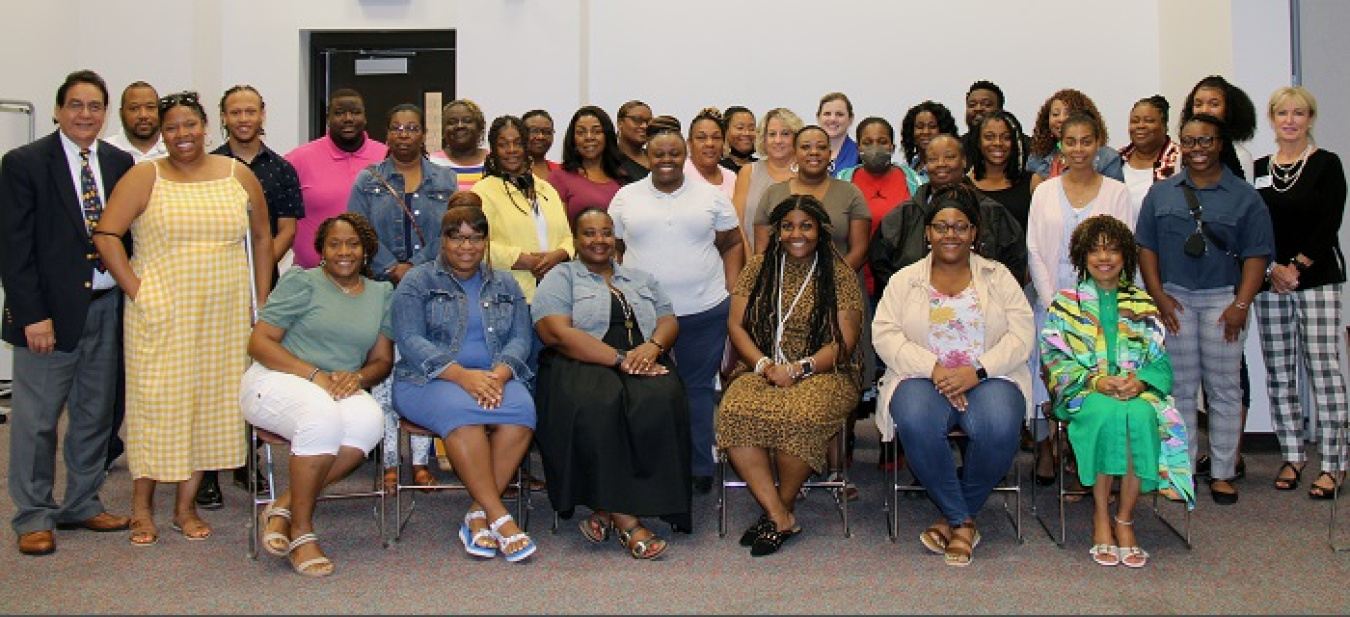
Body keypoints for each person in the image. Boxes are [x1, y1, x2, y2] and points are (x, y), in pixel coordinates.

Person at [94, 90, 274, 545]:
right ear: (161, 131)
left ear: (205, 127)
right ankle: (141, 508)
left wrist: (262, 303)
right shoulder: (144, 175)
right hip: (162, 311)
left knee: (210, 407)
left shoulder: (237, 174)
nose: (181, 135)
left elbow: (262, 238)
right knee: (157, 406)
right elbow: (108, 234)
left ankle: (184, 507)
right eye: (171, 127)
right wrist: (136, 289)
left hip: (225, 313)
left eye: (189, 125)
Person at [2, 69, 135, 556]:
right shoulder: (24, 163)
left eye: (95, 106)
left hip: (105, 307)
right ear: (58, 110)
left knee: (94, 415)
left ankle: (81, 501)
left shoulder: (119, 161)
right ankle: (33, 514)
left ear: (105, 113)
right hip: (48, 316)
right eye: (76, 105)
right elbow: (14, 250)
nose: (85, 115)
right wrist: (30, 314)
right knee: (36, 422)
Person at [873, 183, 1033, 568]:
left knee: (1000, 425)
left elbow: (1022, 332)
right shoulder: (904, 279)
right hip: (921, 376)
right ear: (927, 232)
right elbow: (885, 332)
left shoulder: (998, 276)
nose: (950, 234)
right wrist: (935, 369)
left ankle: (952, 517)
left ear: (974, 232)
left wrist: (976, 372)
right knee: (915, 419)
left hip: (990, 376)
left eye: (960, 227)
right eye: (941, 227)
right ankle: (963, 520)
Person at [532, 207, 690, 558]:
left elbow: (668, 318)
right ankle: (628, 521)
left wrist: (652, 348)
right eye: (589, 233)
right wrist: (620, 360)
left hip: (642, 358)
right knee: (600, 405)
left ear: (615, 238)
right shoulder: (562, 277)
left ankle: (605, 509)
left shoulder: (641, 278)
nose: (598, 240)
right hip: (579, 361)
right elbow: (555, 332)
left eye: (605, 232)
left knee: (663, 397)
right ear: (575, 240)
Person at [1040, 214, 1195, 569]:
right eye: (1094, 251)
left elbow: (1158, 358)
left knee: (1139, 413)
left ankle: (1124, 518)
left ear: (1125, 255)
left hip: (1134, 390)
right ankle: (1100, 515)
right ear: (1082, 257)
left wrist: (1139, 383)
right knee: (1108, 414)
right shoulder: (1066, 303)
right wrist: (1096, 382)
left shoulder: (1142, 303)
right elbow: (1052, 357)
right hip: (1084, 392)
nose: (1104, 258)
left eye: (1111, 250)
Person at [243, 212, 393, 577]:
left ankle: (284, 507)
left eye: (353, 244)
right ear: (322, 250)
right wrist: (315, 376)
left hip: (338, 386)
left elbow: (382, 361)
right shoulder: (301, 282)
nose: (344, 251)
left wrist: (356, 377)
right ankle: (302, 531)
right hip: (276, 379)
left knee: (370, 422)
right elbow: (259, 343)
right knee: (321, 416)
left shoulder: (381, 293)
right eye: (335, 244)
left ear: (366, 250)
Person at [1135, 113, 1274, 505]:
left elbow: (1257, 255)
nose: (1198, 150)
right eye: (1190, 142)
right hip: (1174, 299)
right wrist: (1158, 295)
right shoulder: (1161, 193)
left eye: (1206, 141)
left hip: (1222, 301)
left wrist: (1240, 305)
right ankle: (1182, 469)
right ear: (1182, 144)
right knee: (1178, 389)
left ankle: (1224, 472)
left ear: (1219, 143)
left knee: (1224, 389)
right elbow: (1146, 246)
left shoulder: (1244, 196)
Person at [390, 204, 538, 563]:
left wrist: (500, 374)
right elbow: (409, 339)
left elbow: (521, 338)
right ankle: (500, 517)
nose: (466, 246)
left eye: (475, 238)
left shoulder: (505, 282)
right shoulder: (418, 280)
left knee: (521, 409)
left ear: (486, 241)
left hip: (493, 376)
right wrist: (461, 376)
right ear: (443, 240)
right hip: (428, 379)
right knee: (463, 414)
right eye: (456, 237)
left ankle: (476, 513)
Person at [718, 195, 864, 556]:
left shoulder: (838, 272)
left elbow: (845, 341)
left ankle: (779, 509)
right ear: (777, 231)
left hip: (824, 370)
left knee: (801, 414)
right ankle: (779, 515)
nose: (796, 233)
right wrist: (765, 365)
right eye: (788, 226)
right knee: (734, 409)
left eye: (806, 225)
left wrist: (801, 369)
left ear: (821, 230)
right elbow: (736, 326)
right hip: (762, 366)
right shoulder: (758, 268)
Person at [609, 115, 745, 494]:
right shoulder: (626, 197)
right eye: (658, 154)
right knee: (646, 391)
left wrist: (732, 289)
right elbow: (615, 248)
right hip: (645, 315)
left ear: (684, 154)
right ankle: (652, 464)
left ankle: (701, 464)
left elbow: (732, 242)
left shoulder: (711, 198)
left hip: (705, 309)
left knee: (698, 389)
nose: (666, 159)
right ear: (647, 156)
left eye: (673, 153)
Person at [197, 84, 307, 509]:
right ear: (223, 119)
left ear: (263, 115)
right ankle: (207, 471)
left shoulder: (280, 169)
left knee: (253, 375)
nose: (243, 119)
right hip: (212, 286)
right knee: (212, 377)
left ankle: (248, 462)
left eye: (250, 111)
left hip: (262, 288)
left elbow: (286, 231)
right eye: (234, 113)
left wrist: (257, 272)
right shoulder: (207, 166)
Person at [347, 103, 455, 489]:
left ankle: (422, 461)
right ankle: (390, 459)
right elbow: (356, 231)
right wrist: (393, 268)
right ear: (387, 134)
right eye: (396, 128)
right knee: (385, 374)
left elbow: (450, 234)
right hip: (381, 288)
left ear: (424, 134)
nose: (404, 134)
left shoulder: (445, 179)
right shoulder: (368, 179)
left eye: (412, 127)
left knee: (424, 369)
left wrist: (416, 270)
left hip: (429, 289)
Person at [1026, 112, 1136, 486]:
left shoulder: (1116, 192)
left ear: (1099, 143)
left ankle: (1078, 454)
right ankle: (1045, 448)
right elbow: (1035, 250)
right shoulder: (1043, 190)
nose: (1078, 149)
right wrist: (1053, 301)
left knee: (1091, 380)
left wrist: (1090, 306)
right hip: (1053, 303)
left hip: (1100, 308)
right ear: (1060, 145)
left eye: (1086, 141)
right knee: (1046, 378)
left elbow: (1125, 249)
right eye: (1070, 142)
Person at [1254, 86, 1349, 500]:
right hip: (1271, 280)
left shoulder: (1327, 164)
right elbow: (1254, 226)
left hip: (1317, 279)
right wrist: (1274, 267)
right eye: (1282, 113)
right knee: (1279, 371)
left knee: (1324, 370)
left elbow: (1328, 222)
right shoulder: (1259, 168)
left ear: (1310, 119)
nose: (1290, 120)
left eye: (1298, 113)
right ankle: (1293, 454)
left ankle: (1333, 463)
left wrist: (1297, 266)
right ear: (1272, 120)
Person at [1179, 76, 1260, 480]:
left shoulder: (1237, 172)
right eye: (1199, 102)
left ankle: (1230, 459)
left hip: (1223, 292)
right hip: (1181, 293)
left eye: (1214, 103)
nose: (1205, 109)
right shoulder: (1176, 179)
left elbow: (1251, 243)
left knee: (1227, 380)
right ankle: (1191, 463)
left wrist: (1240, 302)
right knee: (1184, 385)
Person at [870, 134, 1028, 296]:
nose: (941, 164)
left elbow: (1015, 264)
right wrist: (908, 296)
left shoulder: (993, 213)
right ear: (925, 165)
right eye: (933, 159)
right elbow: (880, 264)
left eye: (950, 157)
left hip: (982, 311)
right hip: (914, 310)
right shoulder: (903, 215)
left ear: (964, 161)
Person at [473, 114, 573, 308]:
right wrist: (522, 259)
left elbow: (568, 238)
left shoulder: (546, 189)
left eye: (517, 143)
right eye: (503, 144)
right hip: (508, 297)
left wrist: (558, 255)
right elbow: (477, 245)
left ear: (526, 147)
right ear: (493, 150)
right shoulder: (483, 192)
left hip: (554, 294)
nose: (511, 150)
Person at [286, 88, 388, 269]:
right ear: (328, 118)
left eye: (355, 112)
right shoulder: (298, 160)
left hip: (376, 274)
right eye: (339, 113)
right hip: (313, 275)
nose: (348, 118)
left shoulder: (386, 156)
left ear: (365, 117)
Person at [731, 107, 801, 256]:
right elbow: (737, 224)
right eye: (772, 134)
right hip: (752, 262)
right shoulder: (748, 172)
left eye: (785, 134)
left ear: (796, 138)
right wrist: (751, 263)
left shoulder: (806, 174)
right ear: (763, 138)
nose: (778, 140)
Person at [1026, 89, 1124, 193]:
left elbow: (1115, 198)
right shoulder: (1038, 155)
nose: (1061, 119)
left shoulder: (1107, 158)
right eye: (1055, 114)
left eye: (1068, 114)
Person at [548, 105, 628, 224]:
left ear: (607, 136)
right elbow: (557, 230)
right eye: (581, 132)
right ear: (573, 139)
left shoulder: (622, 178)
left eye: (596, 131)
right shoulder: (559, 178)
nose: (589, 137)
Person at [965, 110, 1033, 233]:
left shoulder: (1033, 183)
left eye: (1006, 137)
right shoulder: (964, 186)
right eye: (989, 137)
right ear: (978, 142)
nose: (997, 143)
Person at [1181, 75, 1258, 182]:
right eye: (1198, 104)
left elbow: (1245, 197)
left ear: (1228, 109)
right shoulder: (1183, 154)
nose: (1204, 110)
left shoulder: (1241, 156)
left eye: (1214, 104)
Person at [1118, 95, 1181, 215]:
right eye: (1135, 121)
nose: (1140, 126)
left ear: (1164, 126)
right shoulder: (1116, 160)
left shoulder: (1180, 159)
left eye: (1149, 120)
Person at [430, 98, 489, 192]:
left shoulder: (494, 161)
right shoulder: (431, 163)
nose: (459, 126)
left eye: (467, 121)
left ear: (480, 127)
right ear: (443, 130)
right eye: (452, 122)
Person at [105, 81, 167, 162]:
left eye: (150, 107)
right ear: (121, 114)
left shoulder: (174, 149)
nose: (143, 115)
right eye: (134, 108)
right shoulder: (105, 152)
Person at [899, 100, 959, 182]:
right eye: (920, 127)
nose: (926, 132)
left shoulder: (950, 169)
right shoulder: (904, 171)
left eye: (932, 126)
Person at [685, 107, 737, 198]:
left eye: (716, 137)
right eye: (701, 138)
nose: (710, 144)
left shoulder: (732, 178)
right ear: (689, 143)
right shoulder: (679, 175)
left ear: (724, 143)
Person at [817, 92, 858, 175]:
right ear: (818, 118)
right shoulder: (807, 154)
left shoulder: (859, 155)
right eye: (827, 114)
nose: (832, 119)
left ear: (851, 119)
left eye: (839, 114)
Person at [615, 100, 653, 182]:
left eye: (648, 121)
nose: (644, 126)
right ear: (620, 123)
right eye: (637, 120)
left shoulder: (655, 158)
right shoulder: (611, 160)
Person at [522, 109, 560, 181]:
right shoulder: (511, 169)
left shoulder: (561, 171)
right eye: (534, 131)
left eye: (547, 132)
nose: (541, 137)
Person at [720, 106, 757, 172]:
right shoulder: (717, 168)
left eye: (752, 128)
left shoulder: (763, 167)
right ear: (725, 131)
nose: (747, 133)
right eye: (740, 128)